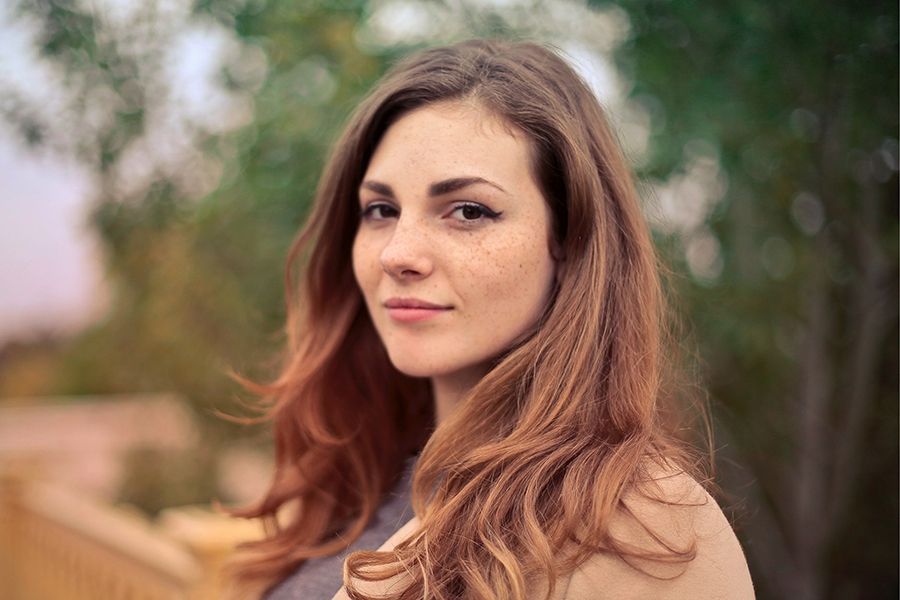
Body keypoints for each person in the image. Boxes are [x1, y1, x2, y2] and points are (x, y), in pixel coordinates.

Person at [227, 39, 755, 599]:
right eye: (381, 210)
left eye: (468, 211)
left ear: (570, 241)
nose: (397, 254)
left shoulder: (642, 527)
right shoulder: (366, 483)